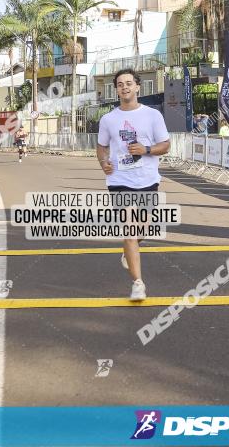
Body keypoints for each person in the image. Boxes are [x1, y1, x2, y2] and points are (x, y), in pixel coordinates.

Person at [97, 68, 170, 301]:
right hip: (120, 181)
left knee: (142, 230)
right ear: (116, 90)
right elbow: (101, 147)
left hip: (147, 179)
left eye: (129, 83)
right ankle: (138, 283)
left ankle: (128, 250)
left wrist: (146, 150)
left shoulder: (152, 115)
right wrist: (103, 162)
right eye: (120, 84)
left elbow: (165, 145)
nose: (125, 87)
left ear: (137, 87)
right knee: (130, 229)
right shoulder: (108, 119)